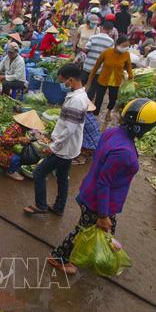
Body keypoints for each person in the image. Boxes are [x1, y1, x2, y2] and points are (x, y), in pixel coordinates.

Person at [47, 98, 156, 274]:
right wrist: (103, 214)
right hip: (97, 202)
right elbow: (104, 182)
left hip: (95, 195)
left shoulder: (113, 133)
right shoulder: (123, 152)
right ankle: (59, 258)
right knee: (83, 231)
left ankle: (100, 255)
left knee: (106, 230)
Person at [24, 65, 90, 215]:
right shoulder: (77, 96)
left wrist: (53, 146)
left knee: (39, 173)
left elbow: (69, 129)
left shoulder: (77, 100)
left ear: (71, 80)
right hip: (68, 147)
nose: (62, 84)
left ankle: (40, 205)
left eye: (63, 81)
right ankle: (59, 207)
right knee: (62, 177)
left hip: (63, 148)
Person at [88, 36, 134, 118]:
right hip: (103, 79)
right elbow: (96, 66)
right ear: (117, 44)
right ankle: (95, 114)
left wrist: (130, 75)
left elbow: (129, 66)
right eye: (124, 46)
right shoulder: (106, 52)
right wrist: (91, 78)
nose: (125, 48)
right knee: (99, 98)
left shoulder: (126, 55)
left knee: (113, 98)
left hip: (116, 80)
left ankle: (109, 111)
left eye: (127, 46)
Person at [0, 111, 45, 181]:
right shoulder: (15, 128)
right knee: (18, 158)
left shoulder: (23, 128)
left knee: (22, 154)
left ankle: (6, 166)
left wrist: (26, 141)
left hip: (8, 148)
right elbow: (3, 140)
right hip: (0, 150)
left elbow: (20, 140)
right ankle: (10, 172)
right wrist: (19, 140)